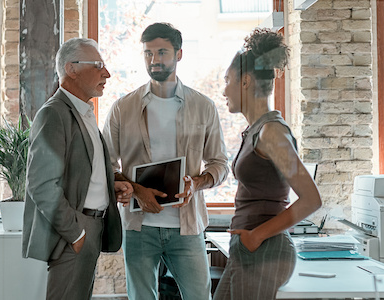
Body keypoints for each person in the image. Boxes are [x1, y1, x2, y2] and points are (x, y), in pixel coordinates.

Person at [102, 22, 229, 300]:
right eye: (148, 53)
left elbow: (219, 165)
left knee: (199, 296)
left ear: (178, 54)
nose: (154, 60)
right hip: (139, 227)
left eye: (162, 52)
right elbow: (105, 166)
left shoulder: (203, 106)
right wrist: (136, 190)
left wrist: (196, 184)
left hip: (187, 227)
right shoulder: (123, 108)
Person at [213, 28, 322, 300]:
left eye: (228, 80)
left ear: (246, 81)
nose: (224, 88)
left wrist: (256, 236)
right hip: (249, 249)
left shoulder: (272, 132)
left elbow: (311, 199)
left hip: (265, 252)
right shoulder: (257, 130)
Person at [21, 37, 133, 300]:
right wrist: (76, 233)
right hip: (74, 231)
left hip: (92, 226)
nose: (107, 73)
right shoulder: (54, 114)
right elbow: (41, 185)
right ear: (71, 69)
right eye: (98, 65)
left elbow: (82, 170)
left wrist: (109, 187)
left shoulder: (84, 112)